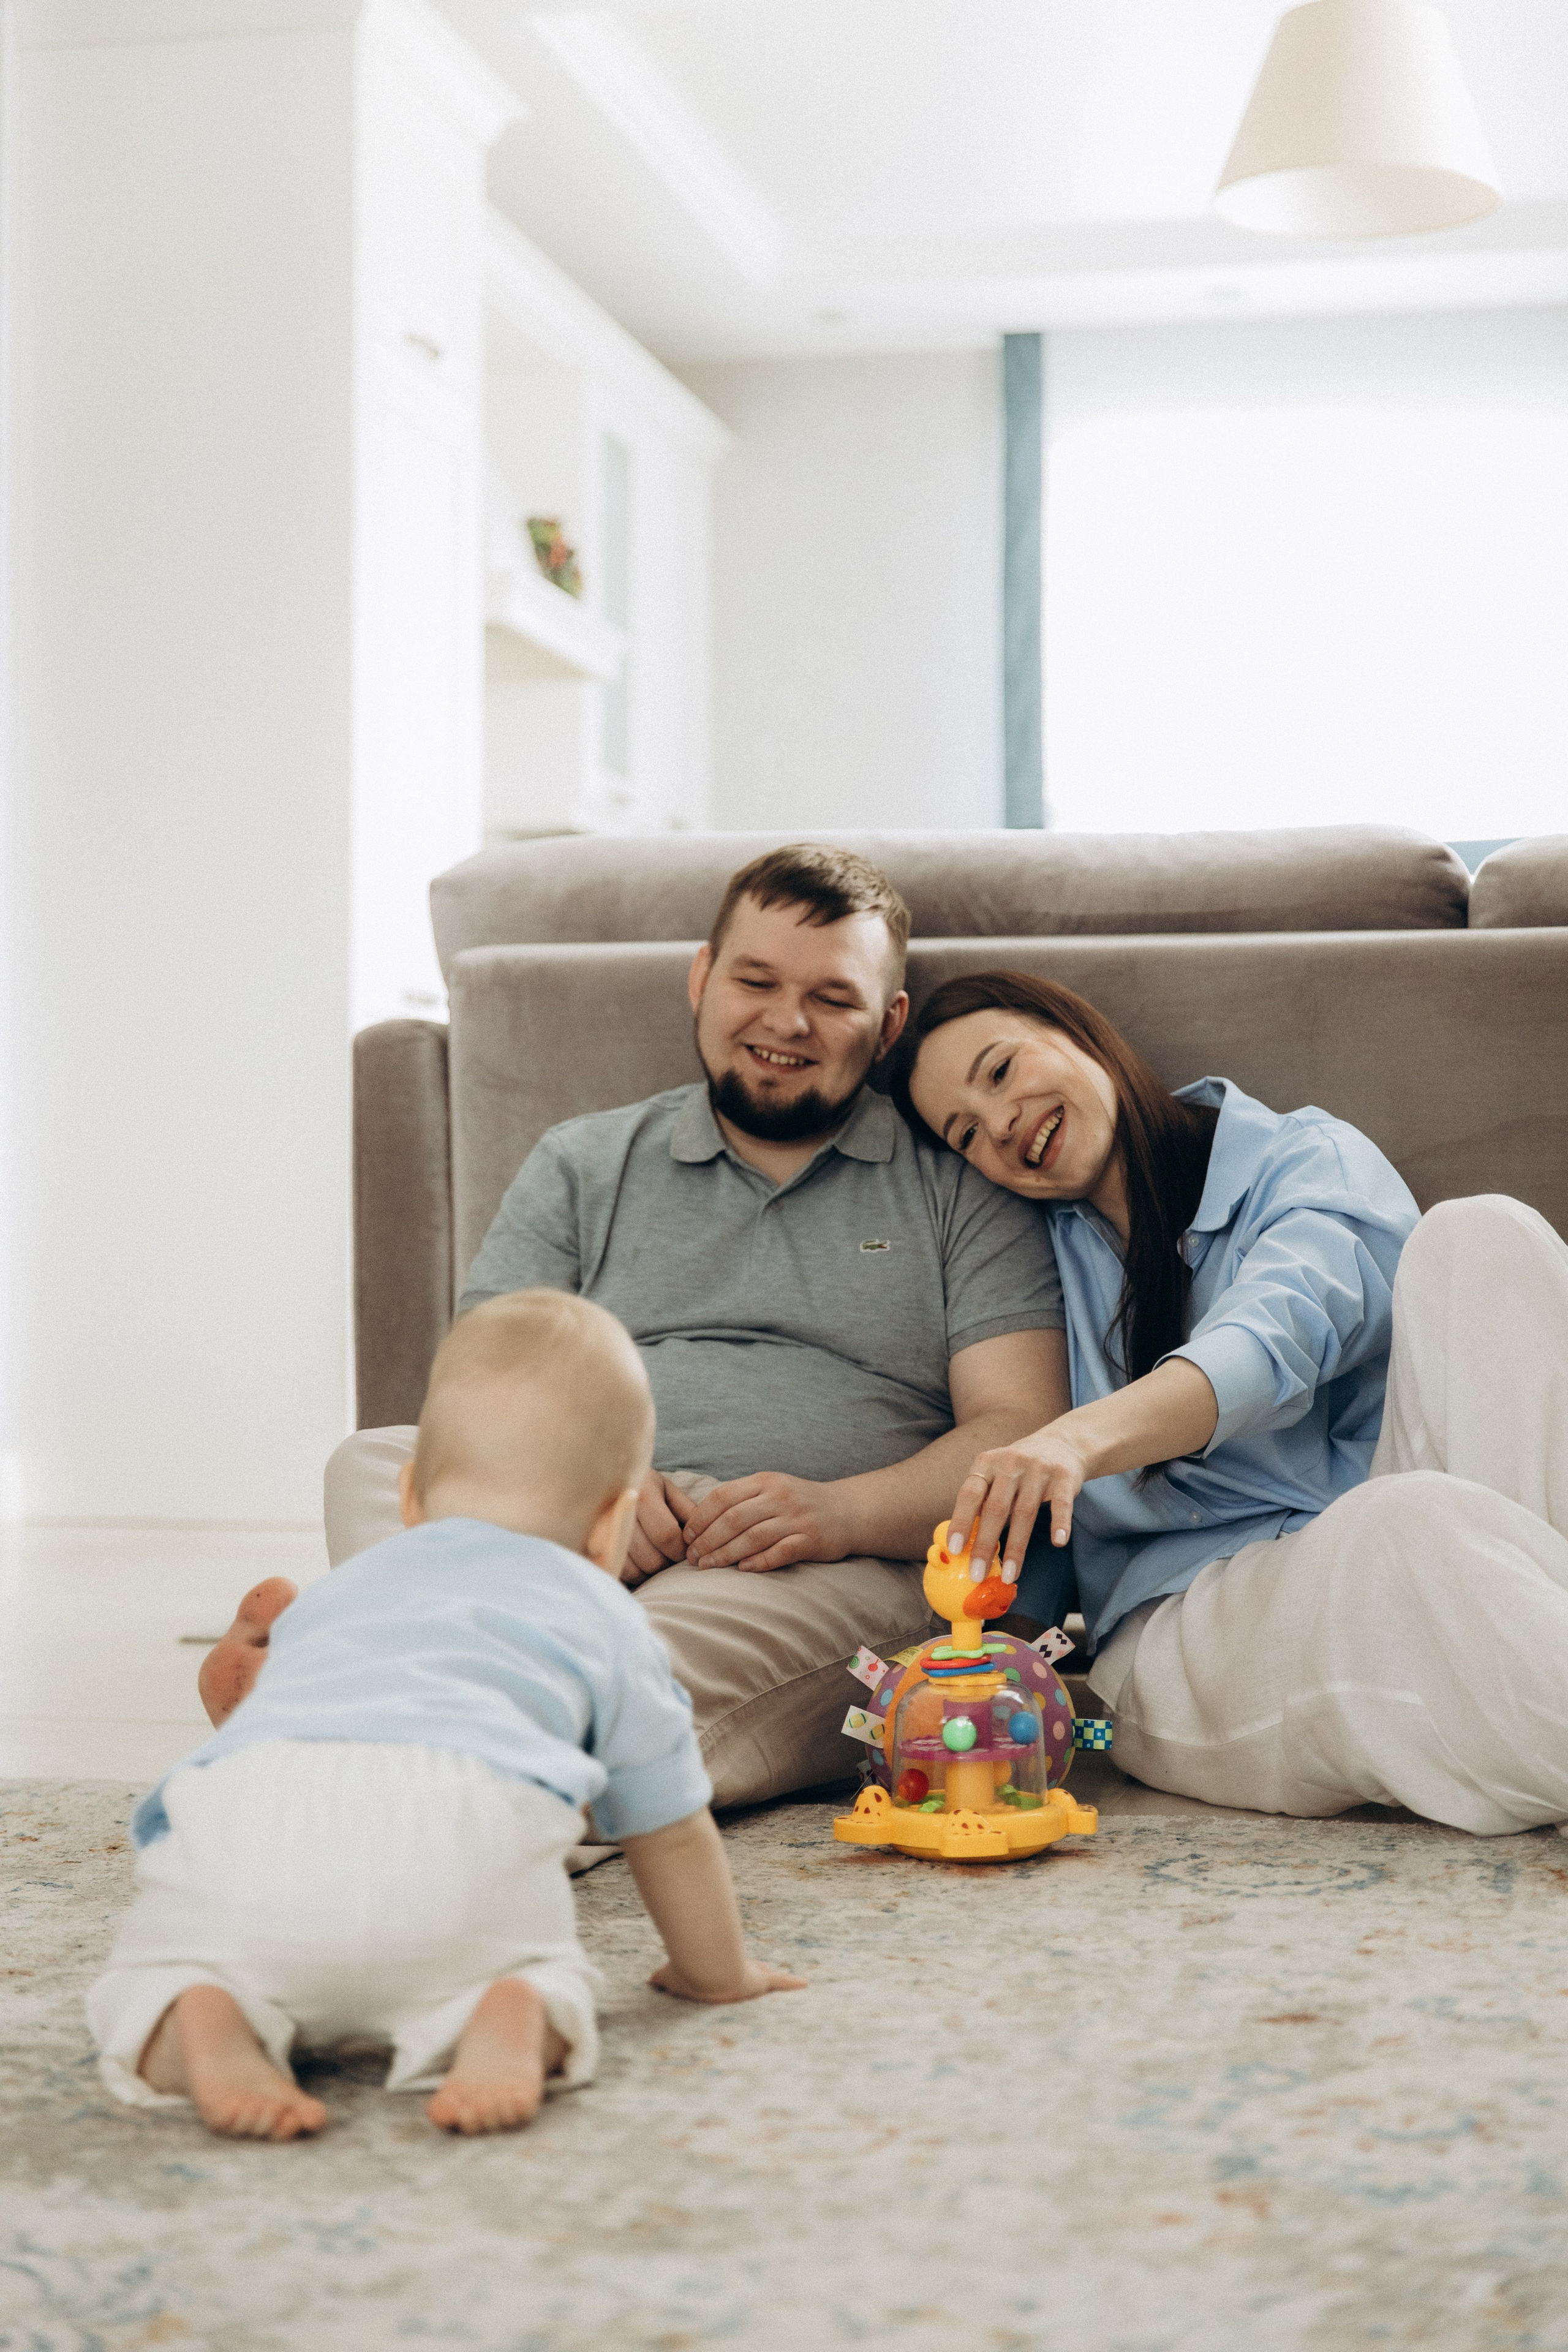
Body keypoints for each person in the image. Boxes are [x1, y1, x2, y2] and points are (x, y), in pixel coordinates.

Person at [199, 846, 1068, 1806]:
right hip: (567, 1519)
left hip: (811, 1558)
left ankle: (347, 1718)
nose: (787, 1022)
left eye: (833, 998)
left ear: (889, 1023)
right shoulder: (585, 1162)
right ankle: (411, 1737)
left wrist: (839, 1514)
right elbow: (478, 1380)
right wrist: (593, 1481)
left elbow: (1018, 1430)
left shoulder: (960, 1183)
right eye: (756, 981)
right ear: (703, 979)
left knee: (640, 1676)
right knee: (376, 1461)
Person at [88, 1291, 804, 2143]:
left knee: (154, 1976)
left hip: (248, 1818)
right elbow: (671, 1830)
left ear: (408, 1497)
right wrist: (716, 1976)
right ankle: (506, 2008)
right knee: (540, 1974)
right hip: (461, 1837)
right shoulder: (608, 1618)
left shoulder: (340, 1592)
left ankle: (201, 2016)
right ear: (612, 1523)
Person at [899, 969, 1568, 1837]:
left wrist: (1076, 1440)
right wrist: (992, 1659)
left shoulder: (1300, 1157)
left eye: (1000, 1072)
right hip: (1192, 1619)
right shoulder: (1028, 1263)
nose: (1000, 1126)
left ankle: (1519, 1635)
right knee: (1401, 1534)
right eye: (966, 1136)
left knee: (1485, 1236)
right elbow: (1040, 1514)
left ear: (1075, 1030)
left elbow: (1276, 1336)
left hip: (1407, 1526)